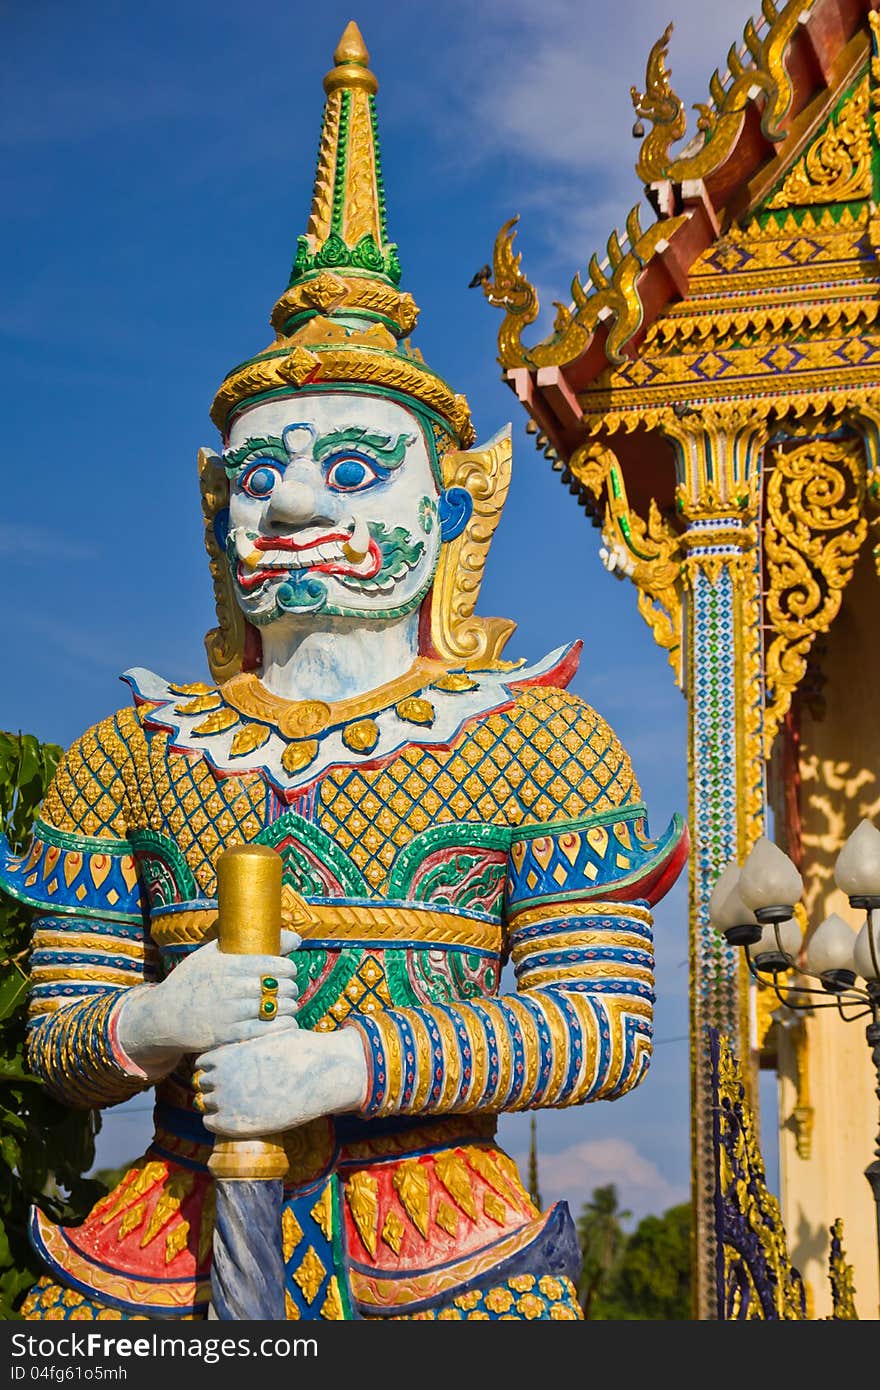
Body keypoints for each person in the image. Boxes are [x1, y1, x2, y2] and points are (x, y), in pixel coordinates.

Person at [1, 23, 687, 1322]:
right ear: (215, 512)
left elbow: (602, 1021)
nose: (293, 500)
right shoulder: (126, 755)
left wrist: (353, 1060)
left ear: (452, 508)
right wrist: (152, 1022)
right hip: (173, 1224)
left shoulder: (543, 741)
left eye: (356, 470)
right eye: (258, 476)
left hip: (435, 1221)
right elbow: (57, 1036)